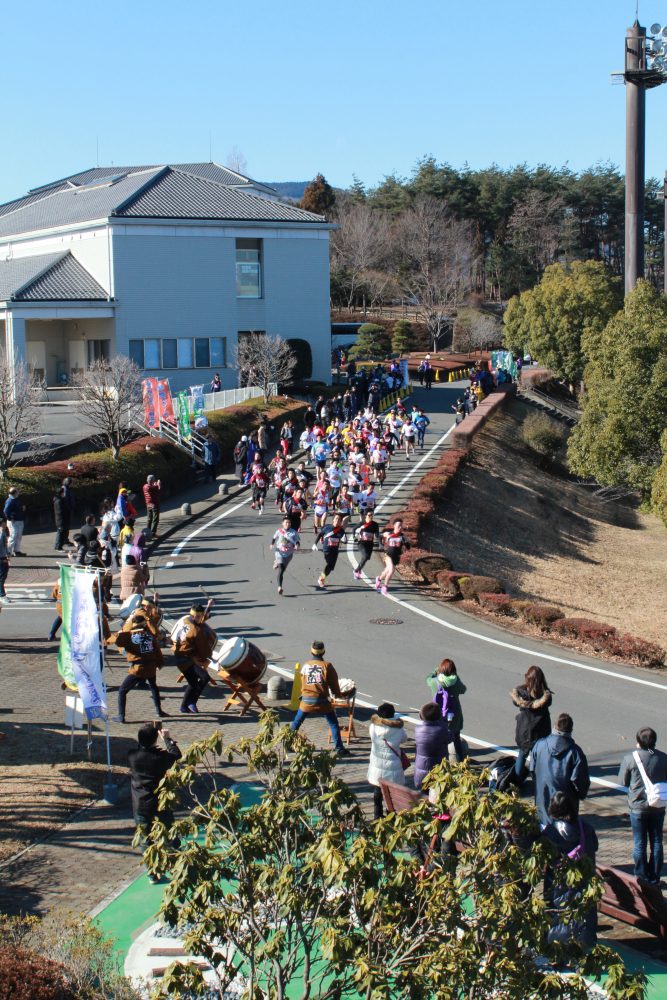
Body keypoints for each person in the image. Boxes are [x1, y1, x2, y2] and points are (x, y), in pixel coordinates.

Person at [542, 791, 598, 950]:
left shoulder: (550, 832)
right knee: (583, 919)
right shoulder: (586, 827)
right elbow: (595, 846)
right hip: (585, 882)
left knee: (558, 917)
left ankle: (558, 950)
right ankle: (583, 947)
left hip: (558, 885)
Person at [127, 722, 181, 877]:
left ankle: (153, 873)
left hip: (140, 804)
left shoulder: (132, 756)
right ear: (154, 740)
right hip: (160, 803)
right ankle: (177, 864)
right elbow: (176, 754)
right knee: (170, 834)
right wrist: (167, 739)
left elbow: (141, 748)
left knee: (146, 840)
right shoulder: (160, 758)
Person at [618, 726, 667, 885]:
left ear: (639, 741)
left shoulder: (630, 759)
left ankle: (641, 875)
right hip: (658, 805)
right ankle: (655, 876)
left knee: (640, 842)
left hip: (637, 807)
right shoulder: (663, 758)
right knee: (657, 841)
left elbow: (623, 782)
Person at [531, 713, 590, 827]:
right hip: (565, 810)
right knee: (564, 840)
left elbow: (533, 770)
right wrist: (579, 795)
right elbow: (580, 781)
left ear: (554, 726)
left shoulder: (540, 745)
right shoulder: (575, 753)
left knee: (544, 836)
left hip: (542, 805)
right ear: (570, 730)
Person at [290, 641, 347, 754]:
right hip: (322, 702)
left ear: (311, 651)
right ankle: (339, 748)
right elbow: (334, 685)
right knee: (333, 723)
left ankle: (287, 744)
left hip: (306, 701)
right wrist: (339, 695)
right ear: (324, 652)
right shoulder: (327, 666)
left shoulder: (306, 665)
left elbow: (302, 682)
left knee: (296, 723)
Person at [114, 611, 166, 723]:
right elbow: (157, 649)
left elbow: (117, 642)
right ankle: (159, 710)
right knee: (153, 686)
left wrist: (120, 633)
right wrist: (159, 663)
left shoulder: (131, 636)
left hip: (139, 668)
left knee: (122, 690)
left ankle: (121, 716)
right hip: (151, 665)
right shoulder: (149, 635)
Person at [171, 602, 217, 714]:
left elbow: (201, 620)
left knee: (193, 683)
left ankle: (185, 706)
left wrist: (209, 606)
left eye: (198, 616)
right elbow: (203, 649)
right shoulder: (196, 630)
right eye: (195, 616)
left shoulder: (186, 620)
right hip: (186, 659)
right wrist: (208, 658)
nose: (196, 618)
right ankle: (191, 702)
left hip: (179, 656)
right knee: (204, 678)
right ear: (192, 615)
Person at [511, 665, 553, 782]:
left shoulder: (521, 694)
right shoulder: (545, 697)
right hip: (540, 732)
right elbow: (547, 701)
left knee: (522, 754)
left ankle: (517, 781)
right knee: (538, 758)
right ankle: (537, 781)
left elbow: (515, 702)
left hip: (524, 731)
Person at [368, 702, 409, 819]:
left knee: (377, 789)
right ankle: (391, 815)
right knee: (392, 792)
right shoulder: (398, 729)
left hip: (376, 764)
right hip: (393, 764)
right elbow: (404, 740)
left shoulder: (373, 727)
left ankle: (377, 814)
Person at [427, 658, 467, 762]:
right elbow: (464, 690)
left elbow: (428, 678)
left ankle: (441, 761)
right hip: (454, 713)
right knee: (456, 737)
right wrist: (456, 677)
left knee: (440, 739)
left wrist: (436, 670)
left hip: (438, 714)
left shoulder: (434, 682)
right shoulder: (456, 682)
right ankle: (461, 761)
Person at [414, 702, 449, 791]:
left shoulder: (417, 729)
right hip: (438, 772)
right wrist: (444, 723)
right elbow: (451, 738)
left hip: (421, 774)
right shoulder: (442, 730)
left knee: (422, 796)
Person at [313, 512, 348, 590]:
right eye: (336, 519)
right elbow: (320, 534)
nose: (337, 520)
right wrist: (315, 544)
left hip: (335, 550)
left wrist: (344, 540)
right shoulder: (327, 527)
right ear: (333, 520)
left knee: (331, 567)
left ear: (340, 522)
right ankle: (321, 579)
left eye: (339, 520)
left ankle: (322, 577)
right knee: (329, 564)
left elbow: (345, 540)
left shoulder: (341, 530)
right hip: (327, 549)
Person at [376, 518, 411, 596]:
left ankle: (378, 579)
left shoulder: (402, 536)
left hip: (396, 557)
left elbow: (408, 547)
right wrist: (381, 545)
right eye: (398, 526)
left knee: (387, 571)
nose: (400, 527)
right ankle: (384, 587)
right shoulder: (388, 534)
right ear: (394, 526)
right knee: (391, 570)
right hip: (388, 555)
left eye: (401, 526)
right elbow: (380, 536)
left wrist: (406, 543)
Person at [270, 516, 301, 595]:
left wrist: (297, 545)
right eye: (286, 522)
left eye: (289, 522)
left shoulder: (294, 532)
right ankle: (279, 587)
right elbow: (274, 538)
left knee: (283, 570)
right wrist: (272, 544)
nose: (288, 524)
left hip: (288, 554)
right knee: (281, 569)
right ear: (282, 524)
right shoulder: (279, 531)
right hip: (279, 552)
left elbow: (297, 541)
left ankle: (276, 562)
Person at [353, 510, 379, 580]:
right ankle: (356, 570)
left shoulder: (375, 524)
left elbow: (377, 534)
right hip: (362, 543)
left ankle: (359, 570)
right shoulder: (362, 524)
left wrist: (377, 536)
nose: (371, 516)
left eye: (372, 515)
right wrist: (354, 537)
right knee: (365, 556)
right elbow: (354, 529)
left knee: (366, 558)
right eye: (369, 515)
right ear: (365, 516)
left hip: (370, 543)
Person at [3, 487, 26, 556]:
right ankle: (8, 552)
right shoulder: (10, 500)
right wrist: (10, 518)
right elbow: (5, 511)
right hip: (14, 521)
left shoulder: (16, 499)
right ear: (15, 492)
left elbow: (18, 507)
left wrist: (22, 508)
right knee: (13, 536)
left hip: (19, 520)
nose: (19, 492)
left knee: (18, 536)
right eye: (17, 491)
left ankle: (17, 551)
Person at [53, 487, 71, 551]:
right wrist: (67, 511)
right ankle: (58, 547)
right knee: (61, 533)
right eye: (63, 492)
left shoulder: (60, 499)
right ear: (61, 493)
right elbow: (60, 511)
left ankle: (58, 546)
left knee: (61, 533)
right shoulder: (59, 501)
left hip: (61, 519)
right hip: (61, 520)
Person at [0, 519, 9, 598]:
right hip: (1, 558)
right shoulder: (1, 534)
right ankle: (2, 595)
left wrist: (8, 555)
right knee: (2, 577)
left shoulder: (3, 533)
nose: (6, 524)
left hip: (4, 557)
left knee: (3, 576)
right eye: (4, 523)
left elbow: (5, 545)